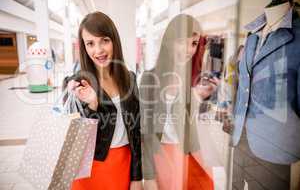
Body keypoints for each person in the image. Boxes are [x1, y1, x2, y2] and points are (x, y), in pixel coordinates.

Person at [67, 11, 142, 190]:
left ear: (114, 40)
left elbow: (136, 131)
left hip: (123, 163)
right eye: (90, 43)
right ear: (84, 47)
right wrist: (93, 106)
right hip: (90, 169)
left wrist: (137, 177)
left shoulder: (129, 79)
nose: (98, 50)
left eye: (104, 40)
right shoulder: (77, 83)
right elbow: (78, 140)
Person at [140, 14, 214, 190]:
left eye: (194, 43)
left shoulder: (193, 78)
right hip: (162, 156)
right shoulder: (150, 78)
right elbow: (146, 134)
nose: (189, 49)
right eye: (182, 41)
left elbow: (193, 126)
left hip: (190, 155)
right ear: (169, 41)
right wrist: (149, 177)